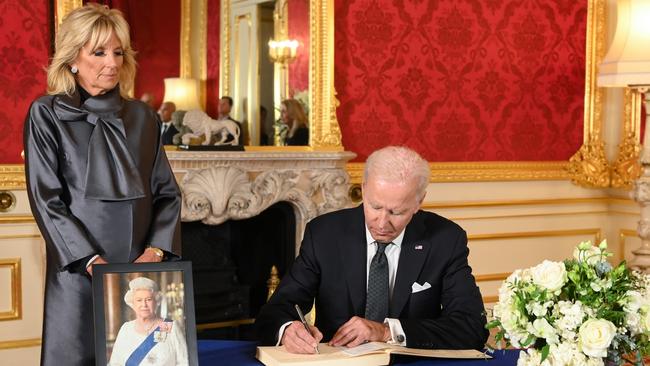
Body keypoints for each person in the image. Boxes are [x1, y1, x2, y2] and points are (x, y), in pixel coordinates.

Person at [23, 4, 181, 365]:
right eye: (99, 52)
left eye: (118, 52)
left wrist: (153, 255)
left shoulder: (143, 116)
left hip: (139, 270)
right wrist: (91, 261)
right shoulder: (46, 115)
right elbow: (46, 198)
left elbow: (168, 193)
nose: (111, 62)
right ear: (72, 58)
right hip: (77, 271)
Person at [255, 146, 487, 353]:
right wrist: (288, 330)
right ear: (364, 190)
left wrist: (386, 331)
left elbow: (472, 327)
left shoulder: (445, 239)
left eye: (397, 212)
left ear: (419, 202)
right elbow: (277, 309)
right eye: (375, 206)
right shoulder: (324, 234)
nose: (382, 223)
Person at [109, 277, 188, 366]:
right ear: (133, 304)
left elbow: (184, 362)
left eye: (149, 299)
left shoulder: (170, 327)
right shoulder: (126, 329)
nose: (144, 304)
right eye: (139, 300)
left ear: (156, 302)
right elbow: (115, 363)